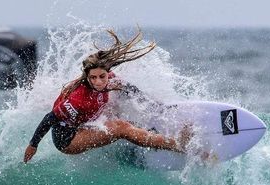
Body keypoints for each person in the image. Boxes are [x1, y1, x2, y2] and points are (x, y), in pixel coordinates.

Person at [24, 29, 191, 163]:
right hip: (68, 139)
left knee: (121, 114)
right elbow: (49, 118)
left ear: (107, 73)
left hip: (84, 123)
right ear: (87, 77)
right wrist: (33, 145)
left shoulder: (109, 79)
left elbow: (129, 89)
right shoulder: (79, 100)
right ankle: (177, 145)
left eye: (101, 76)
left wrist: (155, 106)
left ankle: (147, 137)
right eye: (93, 78)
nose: (98, 82)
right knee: (120, 127)